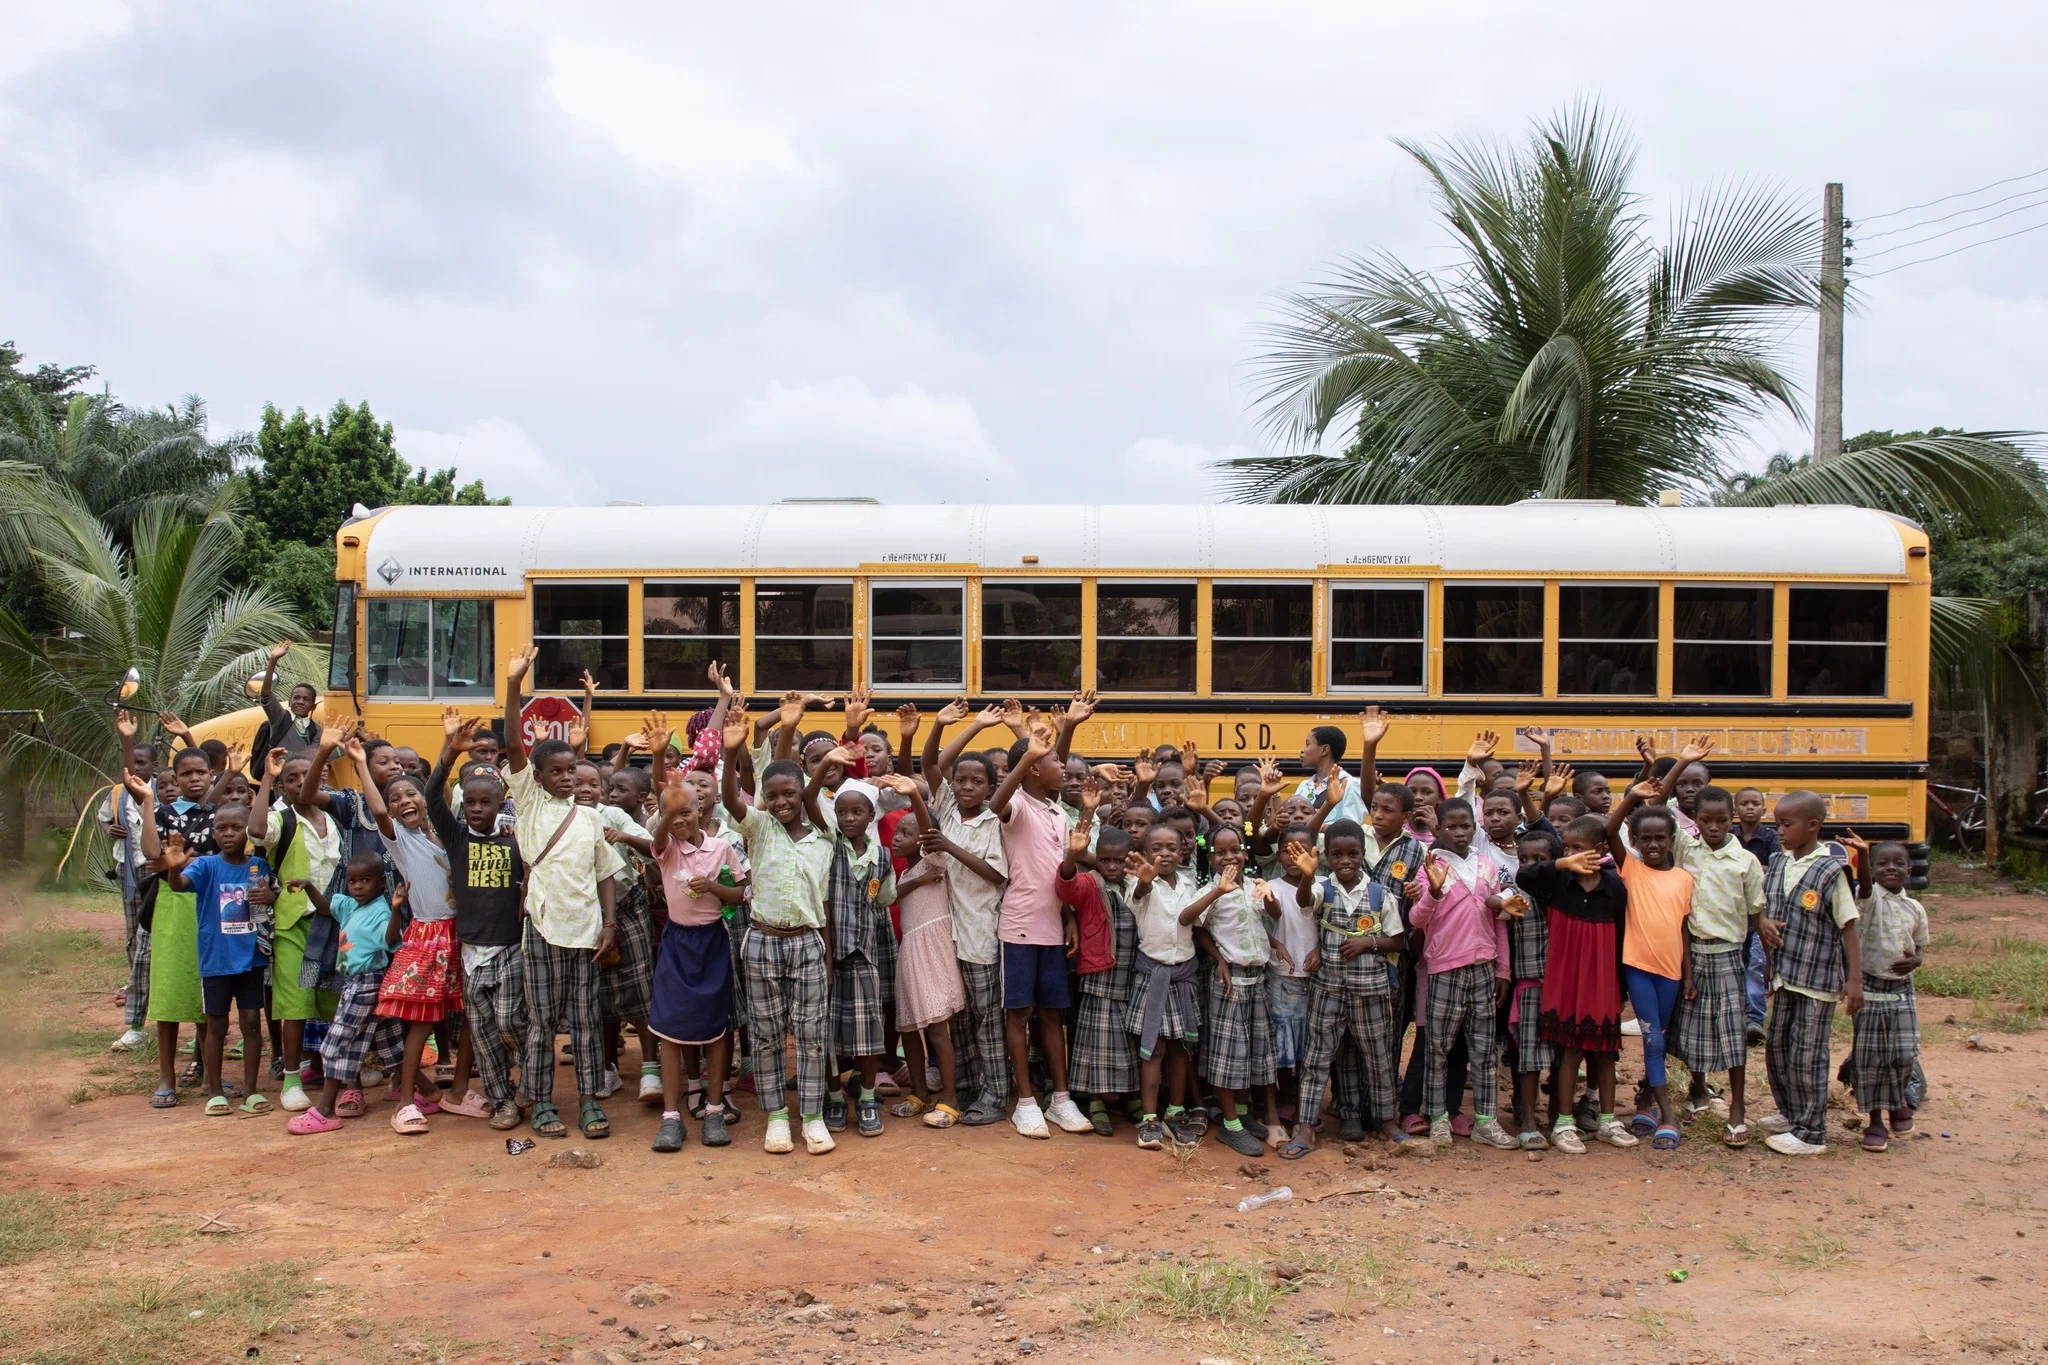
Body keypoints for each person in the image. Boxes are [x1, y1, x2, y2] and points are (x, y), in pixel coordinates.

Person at [504, 644, 626, 1143]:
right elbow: (514, 741)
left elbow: (605, 875)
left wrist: (610, 924)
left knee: (585, 1021)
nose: (565, 779)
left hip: (586, 932)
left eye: (570, 772)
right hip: (543, 928)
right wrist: (514, 686)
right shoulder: (530, 804)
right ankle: (541, 1102)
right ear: (535, 778)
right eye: (555, 772)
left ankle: (591, 1101)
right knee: (540, 1022)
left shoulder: (591, 816)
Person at [722, 702, 837, 1156]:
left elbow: (823, 903)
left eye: (790, 793)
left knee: (811, 1034)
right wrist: (732, 754)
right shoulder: (761, 827)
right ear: (765, 799)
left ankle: (810, 1117)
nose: (783, 802)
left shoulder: (825, 833)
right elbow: (733, 799)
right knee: (767, 1034)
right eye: (774, 796)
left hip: (808, 942)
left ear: (802, 790)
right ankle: (775, 1117)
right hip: (763, 941)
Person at [989, 697, 1098, 1139]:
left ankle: (1060, 1100)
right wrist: (1030, 751)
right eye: (1054, 761)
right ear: (1034, 768)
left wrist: (1069, 915)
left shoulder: (1057, 811)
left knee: (1052, 1015)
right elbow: (996, 802)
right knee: (1019, 1015)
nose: (1064, 768)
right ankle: (1027, 1102)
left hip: (1054, 928)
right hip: (1018, 928)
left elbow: (1061, 872)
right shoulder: (1017, 806)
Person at [141, 790, 277, 1116]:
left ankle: (251, 1091)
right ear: (213, 832)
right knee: (216, 1026)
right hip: (216, 959)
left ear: (248, 831)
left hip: (251, 959)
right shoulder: (205, 865)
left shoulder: (258, 866)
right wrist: (173, 868)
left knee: (251, 1025)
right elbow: (179, 886)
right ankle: (214, 1091)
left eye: (236, 827)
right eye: (221, 828)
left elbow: (270, 899)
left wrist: (270, 897)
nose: (228, 834)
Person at [424, 711, 527, 1131]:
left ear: (501, 803)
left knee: (509, 1021)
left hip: (510, 945)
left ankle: (530, 1081)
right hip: (471, 948)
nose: (478, 809)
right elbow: (431, 796)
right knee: (482, 1030)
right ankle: (502, 1100)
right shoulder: (456, 838)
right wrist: (449, 752)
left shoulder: (516, 839)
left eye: (487, 802)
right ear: (462, 806)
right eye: (471, 803)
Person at [1516, 815, 1636, 1153]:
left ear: (1599, 850)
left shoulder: (1614, 886)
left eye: (1578, 848)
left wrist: (1621, 988)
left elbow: (1621, 940)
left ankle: (1608, 1120)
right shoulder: (1557, 881)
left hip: (1602, 979)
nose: (1572, 854)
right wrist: (1560, 862)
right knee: (1568, 1051)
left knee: (1605, 1054)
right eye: (1567, 847)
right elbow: (1524, 876)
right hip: (1565, 977)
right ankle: (1564, 1123)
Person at [919, 701, 1012, 1126]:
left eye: (978, 781)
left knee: (987, 1018)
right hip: (947, 933)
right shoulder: (949, 809)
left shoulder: (995, 821)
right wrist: (968, 725)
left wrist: (950, 847)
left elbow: (995, 875)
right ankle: (972, 1085)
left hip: (980, 934)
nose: (967, 787)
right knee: (957, 1017)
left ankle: (996, 1093)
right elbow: (931, 761)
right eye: (962, 780)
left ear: (991, 788)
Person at [1757, 791, 1865, 1156]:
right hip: (1784, 976)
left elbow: (1848, 925)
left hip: (1817, 979)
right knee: (1778, 1048)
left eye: (1787, 824)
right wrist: (1765, 925)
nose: (1780, 831)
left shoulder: (1831, 870)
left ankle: (1812, 1132)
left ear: (1813, 826)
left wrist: (1854, 980)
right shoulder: (1778, 862)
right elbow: (1765, 910)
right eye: (1777, 824)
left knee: (1808, 1054)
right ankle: (1791, 1113)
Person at [357, 763, 462, 1135]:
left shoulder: (447, 834)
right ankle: (404, 1103)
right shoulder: (400, 839)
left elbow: (441, 792)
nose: (403, 801)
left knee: (463, 1018)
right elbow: (380, 812)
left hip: (461, 933)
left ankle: (454, 1092)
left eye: (411, 793)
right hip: (429, 935)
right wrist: (358, 761)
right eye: (395, 797)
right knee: (421, 1021)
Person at [1407, 799, 1516, 1150]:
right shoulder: (1430, 867)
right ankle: (1437, 1117)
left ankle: (1486, 1120)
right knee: (1437, 1048)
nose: (1459, 832)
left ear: (1475, 828)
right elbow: (1416, 920)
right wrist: (1434, 892)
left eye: (1466, 825)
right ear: (1438, 829)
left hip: (1483, 969)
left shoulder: (1486, 867)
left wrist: (1503, 968)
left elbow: (1499, 920)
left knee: (1483, 1051)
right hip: (1445, 968)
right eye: (1451, 826)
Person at [647, 768, 745, 1151]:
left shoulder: (720, 848)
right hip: (677, 942)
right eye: (672, 815)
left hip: (712, 942)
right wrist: (667, 814)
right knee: (669, 1029)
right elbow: (656, 836)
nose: (680, 821)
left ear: (701, 809)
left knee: (718, 1029)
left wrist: (714, 887)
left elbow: (739, 894)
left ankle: (715, 1109)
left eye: (686, 812)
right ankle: (671, 1118)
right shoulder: (666, 846)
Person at [247, 746, 343, 1114]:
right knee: (297, 1001)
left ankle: (335, 1071)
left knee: (331, 999)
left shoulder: (334, 816)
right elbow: (256, 832)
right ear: (283, 787)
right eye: (291, 778)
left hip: (333, 922)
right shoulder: (280, 818)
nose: (301, 782)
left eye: (309, 775)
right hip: (294, 924)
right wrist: (267, 777)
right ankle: (291, 1078)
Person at [1127, 823, 1234, 1149]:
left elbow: (1196, 925)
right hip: (1153, 976)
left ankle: (1175, 1112)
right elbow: (1140, 895)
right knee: (1154, 1049)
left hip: (1183, 977)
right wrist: (1146, 881)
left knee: (1180, 1049)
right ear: (1145, 854)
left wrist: (1218, 958)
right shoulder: (1140, 882)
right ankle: (1149, 1119)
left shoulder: (1190, 886)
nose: (1164, 854)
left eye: (1171, 848)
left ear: (1183, 851)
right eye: (1156, 848)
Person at [283, 853, 406, 1133]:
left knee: (335, 1043)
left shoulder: (381, 911)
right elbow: (326, 908)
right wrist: (309, 886)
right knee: (389, 1045)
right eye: (352, 881)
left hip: (368, 982)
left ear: (379, 883)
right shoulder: (349, 906)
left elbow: (389, 940)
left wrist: (397, 909)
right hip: (354, 983)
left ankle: (325, 1109)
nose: (358, 886)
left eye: (365, 880)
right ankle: (426, 1093)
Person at [1670, 775, 1763, 1148]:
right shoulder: (1687, 851)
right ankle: (1699, 1091)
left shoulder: (1745, 861)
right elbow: (1658, 804)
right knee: (1692, 1031)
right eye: (1705, 819)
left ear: (1732, 819)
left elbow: (1757, 913)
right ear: (1695, 817)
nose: (1712, 826)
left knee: (1731, 1033)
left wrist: (1767, 963)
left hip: (1727, 955)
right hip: (1692, 953)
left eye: (1721, 820)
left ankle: (1737, 1108)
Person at [806, 765, 898, 1138]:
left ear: (871, 816)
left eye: (856, 811)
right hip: (829, 955)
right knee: (827, 1033)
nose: (848, 818)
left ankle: (866, 1097)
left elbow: (885, 899)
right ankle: (832, 1096)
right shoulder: (828, 848)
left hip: (865, 957)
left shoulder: (883, 857)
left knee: (867, 1034)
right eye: (842, 811)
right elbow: (812, 805)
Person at [873, 774, 969, 1129]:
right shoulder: (908, 874)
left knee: (937, 1029)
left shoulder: (934, 861)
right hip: (909, 951)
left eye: (906, 834)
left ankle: (950, 1099)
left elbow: (929, 834)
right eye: (897, 833)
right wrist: (910, 881)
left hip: (932, 950)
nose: (897, 838)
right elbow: (893, 896)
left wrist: (915, 795)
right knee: (910, 1027)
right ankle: (919, 1094)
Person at [131, 729, 219, 1108]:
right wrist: (149, 802)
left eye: (201, 772)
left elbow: (225, 857)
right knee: (168, 991)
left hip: (207, 906)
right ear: (176, 779)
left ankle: (210, 1078)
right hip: (170, 906)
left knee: (207, 993)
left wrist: (185, 861)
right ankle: (166, 1076)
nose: (194, 778)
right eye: (186, 774)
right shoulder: (163, 812)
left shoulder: (221, 815)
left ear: (211, 775)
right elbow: (152, 852)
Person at [1605, 778, 1694, 1150]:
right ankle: (1667, 1114)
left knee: (1662, 1038)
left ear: (1672, 840)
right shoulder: (1632, 870)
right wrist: (1631, 800)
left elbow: (1683, 929)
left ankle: (1646, 1103)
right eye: (1647, 839)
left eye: (1661, 838)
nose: (1654, 845)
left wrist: (1688, 975)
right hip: (1639, 968)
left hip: (1672, 974)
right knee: (1652, 1039)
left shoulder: (1684, 879)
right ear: (1636, 843)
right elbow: (1609, 830)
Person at [1193, 824, 1280, 1156]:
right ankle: (1229, 1126)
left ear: (1245, 852)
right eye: (1220, 851)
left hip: (1257, 980)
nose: (1229, 857)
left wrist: (1268, 895)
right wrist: (1218, 959)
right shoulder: (1210, 890)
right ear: (1210, 855)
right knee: (1228, 1057)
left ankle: (1242, 1116)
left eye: (1235, 850)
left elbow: (1273, 915)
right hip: (1230, 985)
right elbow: (1194, 925)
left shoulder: (1254, 887)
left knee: (1254, 1052)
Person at [1841, 834, 1927, 1153]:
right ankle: (1875, 1121)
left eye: (1899, 863)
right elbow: (1863, 884)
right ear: (1874, 870)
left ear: (1909, 870)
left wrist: (1916, 959)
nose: (1891, 867)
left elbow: (1920, 946)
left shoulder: (1914, 907)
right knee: (1871, 1060)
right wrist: (1862, 856)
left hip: (1902, 989)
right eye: (1882, 863)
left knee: (1903, 1055)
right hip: (1871, 987)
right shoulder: (1869, 898)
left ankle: (1898, 1104)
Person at [1060, 812, 1138, 1137]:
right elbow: (1066, 887)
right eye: (1104, 860)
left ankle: (1128, 1096)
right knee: (1095, 1043)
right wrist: (1072, 857)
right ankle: (1095, 1102)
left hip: (1129, 977)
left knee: (1126, 1042)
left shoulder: (1137, 886)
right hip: (1098, 976)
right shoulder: (1092, 884)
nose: (1112, 866)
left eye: (1119, 861)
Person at [103, 720, 156, 1051]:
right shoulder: (117, 792)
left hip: (158, 877)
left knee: (149, 941)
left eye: (142, 763)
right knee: (135, 939)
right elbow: (108, 818)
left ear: (156, 765)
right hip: (130, 872)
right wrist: (113, 828)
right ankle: (136, 1014)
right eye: (131, 762)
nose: (136, 768)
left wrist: (128, 740)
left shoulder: (164, 792)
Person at [1733, 786, 1781, 1046]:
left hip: (1761, 911)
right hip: (1735, 913)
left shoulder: (1770, 836)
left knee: (1756, 964)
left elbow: (1775, 869)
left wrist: (1746, 867)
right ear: (1735, 809)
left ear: (1764, 809)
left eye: (1755, 803)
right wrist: (1756, 868)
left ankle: (1754, 1019)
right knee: (1736, 963)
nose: (1750, 807)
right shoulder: (1730, 835)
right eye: (1744, 803)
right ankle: (1737, 1016)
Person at [248, 641, 323, 775]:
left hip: (301, 778)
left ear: (313, 707)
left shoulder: (316, 730)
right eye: (296, 698)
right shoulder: (281, 718)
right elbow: (266, 695)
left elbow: (313, 753)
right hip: (278, 777)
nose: (300, 702)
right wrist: (273, 661)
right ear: (289, 702)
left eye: (306, 699)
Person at [1294, 720, 1365, 827]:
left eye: (1308, 744)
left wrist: (1320, 827)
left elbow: (1351, 831)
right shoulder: (1304, 786)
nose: (1302, 750)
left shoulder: (1349, 785)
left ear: (1324, 750)